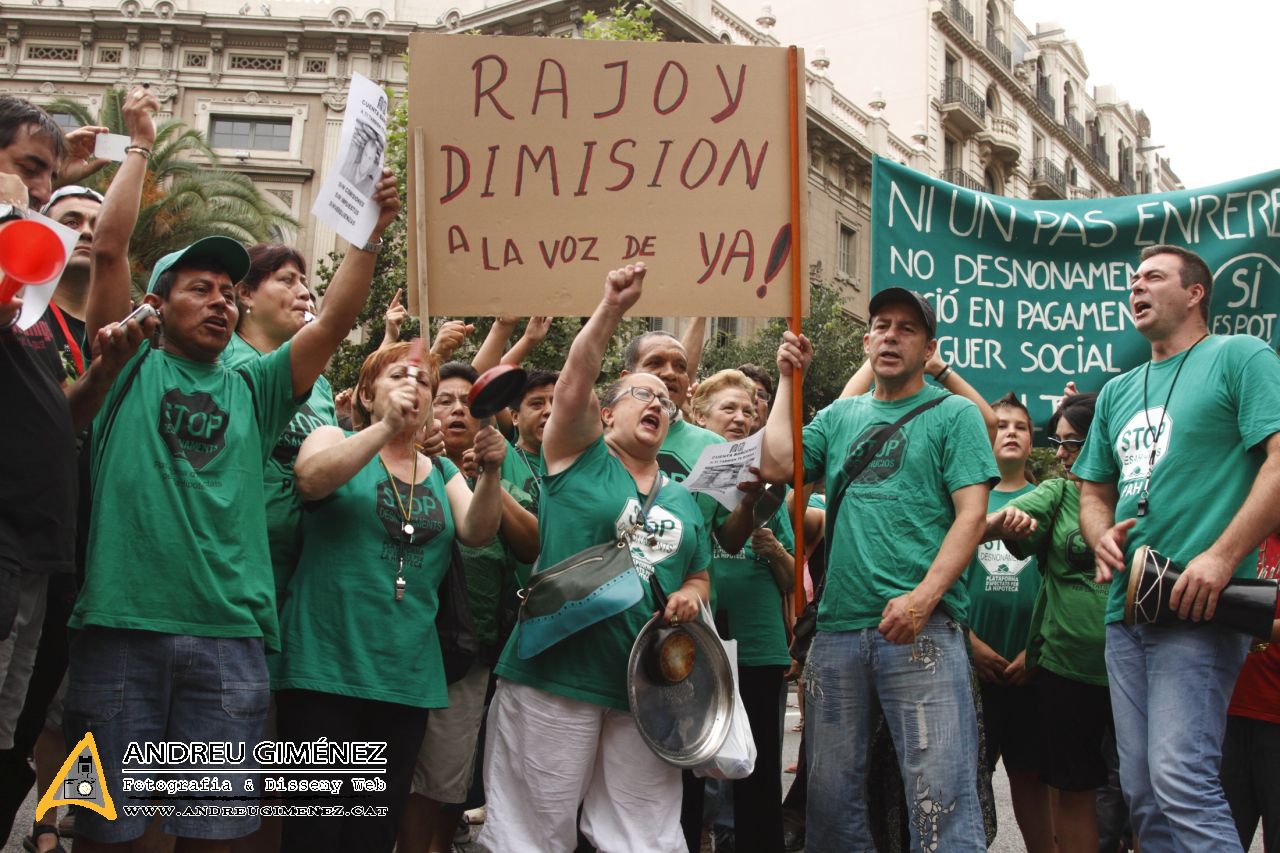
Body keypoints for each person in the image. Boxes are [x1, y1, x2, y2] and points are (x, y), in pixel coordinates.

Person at [63, 76, 402, 845]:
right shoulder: (128, 362)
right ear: (154, 303)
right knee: (105, 832)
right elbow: (110, 246)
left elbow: (337, 318)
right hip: (122, 626)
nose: (220, 300)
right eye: (198, 288)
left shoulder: (255, 384)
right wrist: (141, 140)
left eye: (228, 290)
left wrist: (372, 231)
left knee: (215, 834)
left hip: (231, 637)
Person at [479, 264, 749, 852]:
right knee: (531, 832)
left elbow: (700, 573)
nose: (658, 402)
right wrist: (610, 310)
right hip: (555, 676)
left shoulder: (682, 495)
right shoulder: (576, 455)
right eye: (641, 394)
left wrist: (690, 595)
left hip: (646, 690)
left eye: (665, 401)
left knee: (644, 836)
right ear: (605, 414)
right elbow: (577, 374)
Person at [760, 287, 996, 852]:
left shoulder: (955, 414)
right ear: (867, 342)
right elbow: (776, 462)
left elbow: (972, 515)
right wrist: (788, 379)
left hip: (925, 629)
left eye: (907, 328)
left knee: (940, 803)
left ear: (928, 347)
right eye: (882, 326)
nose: (891, 335)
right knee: (832, 805)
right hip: (838, 633)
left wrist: (924, 598)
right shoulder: (840, 415)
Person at [1075, 244, 1280, 851]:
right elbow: (1093, 494)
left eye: (1154, 277)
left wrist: (1219, 557)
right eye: (1133, 279)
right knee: (1141, 790)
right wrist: (1100, 536)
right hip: (1124, 612)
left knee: (1181, 780)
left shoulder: (1240, 355)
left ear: (1195, 294)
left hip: (1198, 605)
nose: (1136, 287)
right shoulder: (1115, 391)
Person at [275, 346, 505, 853]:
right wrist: (383, 428)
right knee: (313, 828)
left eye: (424, 381)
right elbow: (311, 481)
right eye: (398, 375)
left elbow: (478, 531)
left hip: (404, 677)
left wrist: (489, 473)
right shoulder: (332, 437)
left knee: (372, 830)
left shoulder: (442, 472)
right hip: (325, 668)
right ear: (365, 393)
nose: (414, 386)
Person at [397, 360, 539, 853]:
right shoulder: (398, 464)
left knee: (443, 783)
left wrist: (491, 480)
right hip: (400, 649)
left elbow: (531, 545)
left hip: (468, 652)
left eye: (467, 403)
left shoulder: (505, 479)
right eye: (444, 401)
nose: (456, 410)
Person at [987, 391, 1110, 853]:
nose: (1059, 453)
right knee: (1068, 788)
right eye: (1058, 441)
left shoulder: (1145, 495)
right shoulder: (1055, 493)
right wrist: (974, 525)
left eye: (1072, 442)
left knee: (1145, 792)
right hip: (1062, 671)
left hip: (1134, 668)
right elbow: (984, 527)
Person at [689, 369, 793, 853]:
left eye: (749, 411)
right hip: (696, 646)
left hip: (758, 646)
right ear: (699, 415)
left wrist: (771, 549)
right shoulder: (680, 482)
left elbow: (794, 580)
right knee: (690, 770)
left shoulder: (771, 489)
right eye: (728, 409)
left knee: (758, 770)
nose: (740, 418)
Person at [223, 243, 337, 603]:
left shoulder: (319, 384)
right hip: (240, 563)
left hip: (308, 568)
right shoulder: (219, 359)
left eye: (304, 282)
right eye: (287, 280)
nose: (304, 292)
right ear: (245, 294)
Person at [965, 393, 1052, 852]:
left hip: (1029, 670)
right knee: (965, 781)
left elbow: (1057, 588)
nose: (1011, 431)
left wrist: (1033, 651)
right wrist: (970, 644)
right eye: (1000, 424)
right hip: (972, 668)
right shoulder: (966, 499)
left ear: (1032, 440)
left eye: (1021, 425)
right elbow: (944, 583)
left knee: (1031, 780)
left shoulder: (1047, 501)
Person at [1222, 530, 1280, 852]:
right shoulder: (1248, 537)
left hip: (1275, 714)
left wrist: (1244, 625)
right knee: (1222, 830)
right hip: (1230, 710)